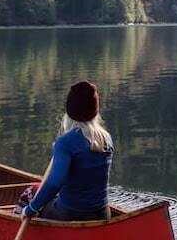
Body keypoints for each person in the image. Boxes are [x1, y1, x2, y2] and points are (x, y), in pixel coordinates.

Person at [18, 80, 113, 221]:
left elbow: (55, 183)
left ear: (70, 111)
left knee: (30, 192)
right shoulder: (106, 138)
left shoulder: (65, 143)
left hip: (70, 214)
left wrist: (31, 209)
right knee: (43, 191)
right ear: (95, 111)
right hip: (102, 213)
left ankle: (17, 221)